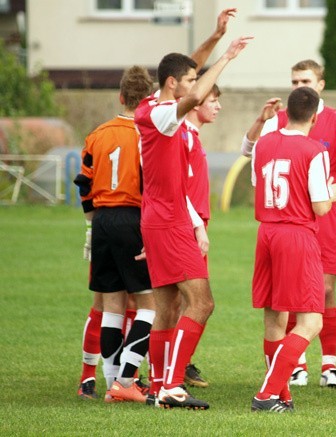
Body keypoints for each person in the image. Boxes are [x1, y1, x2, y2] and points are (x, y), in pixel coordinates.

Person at [241, 59, 336, 388]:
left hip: (276, 227)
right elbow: (317, 203)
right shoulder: (298, 137)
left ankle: (320, 369)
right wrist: (330, 192)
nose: (299, 84)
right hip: (301, 223)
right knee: (301, 311)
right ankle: (283, 378)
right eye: (294, 80)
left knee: (306, 299)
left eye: (304, 79)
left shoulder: (329, 122)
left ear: (320, 85)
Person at [135, 33, 252, 410]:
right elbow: (194, 95)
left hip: (161, 220)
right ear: (173, 84)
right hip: (170, 223)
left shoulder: (154, 103)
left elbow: (187, 71)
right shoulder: (160, 114)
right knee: (202, 303)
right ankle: (171, 384)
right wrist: (229, 56)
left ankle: (157, 385)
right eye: (189, 78)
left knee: (167, 307)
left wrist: (215, 39)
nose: (196, 82)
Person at [250, 87, 336, 413]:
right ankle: (266, 394)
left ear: (286, 112)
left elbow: (257, 184)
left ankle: (281, 396)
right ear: (316, 116)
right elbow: (319, 206)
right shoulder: (314, 149)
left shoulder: (263, 143)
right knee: (311, 321)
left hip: (266, 232)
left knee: (275, 318)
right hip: (296, 234)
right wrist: (333, 192)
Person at [73, 66, 156, 403]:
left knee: (112, 308)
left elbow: (84, 184)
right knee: (150, 307)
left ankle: (111, 384)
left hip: (102, 221)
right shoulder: (147, 135)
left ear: (121, 97)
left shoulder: (98, 134)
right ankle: (125, 380)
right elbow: (153, 184)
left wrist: (92, 226)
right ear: (148, 99)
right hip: (133, 219)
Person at [180, 83, 223, 389]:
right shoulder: (182, 137)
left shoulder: (192, 136)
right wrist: (196, 225)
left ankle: (175, 365)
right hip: (184, 229)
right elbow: (175, 188)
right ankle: (170, 368)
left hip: (192, 226)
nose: (217, 106)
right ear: (196, 103)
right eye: (213, 100)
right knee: (197, 303)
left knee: (186, 303)